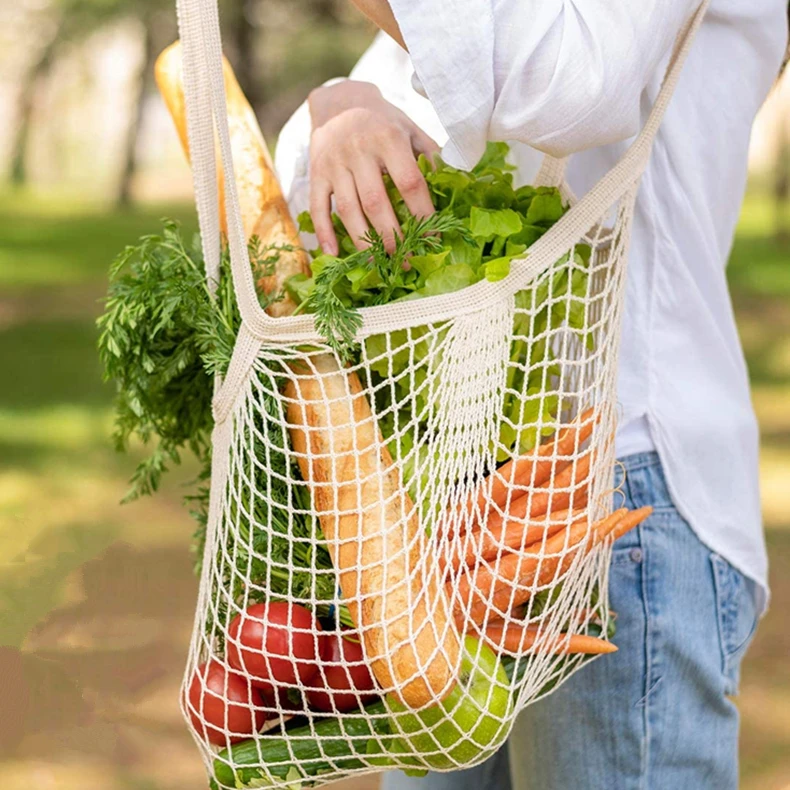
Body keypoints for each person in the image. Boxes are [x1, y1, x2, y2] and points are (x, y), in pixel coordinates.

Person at [273, 2, 788, 787]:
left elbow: (572, 83)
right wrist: (342, 107)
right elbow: (412, 105)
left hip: (617, 492)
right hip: (457, 513)